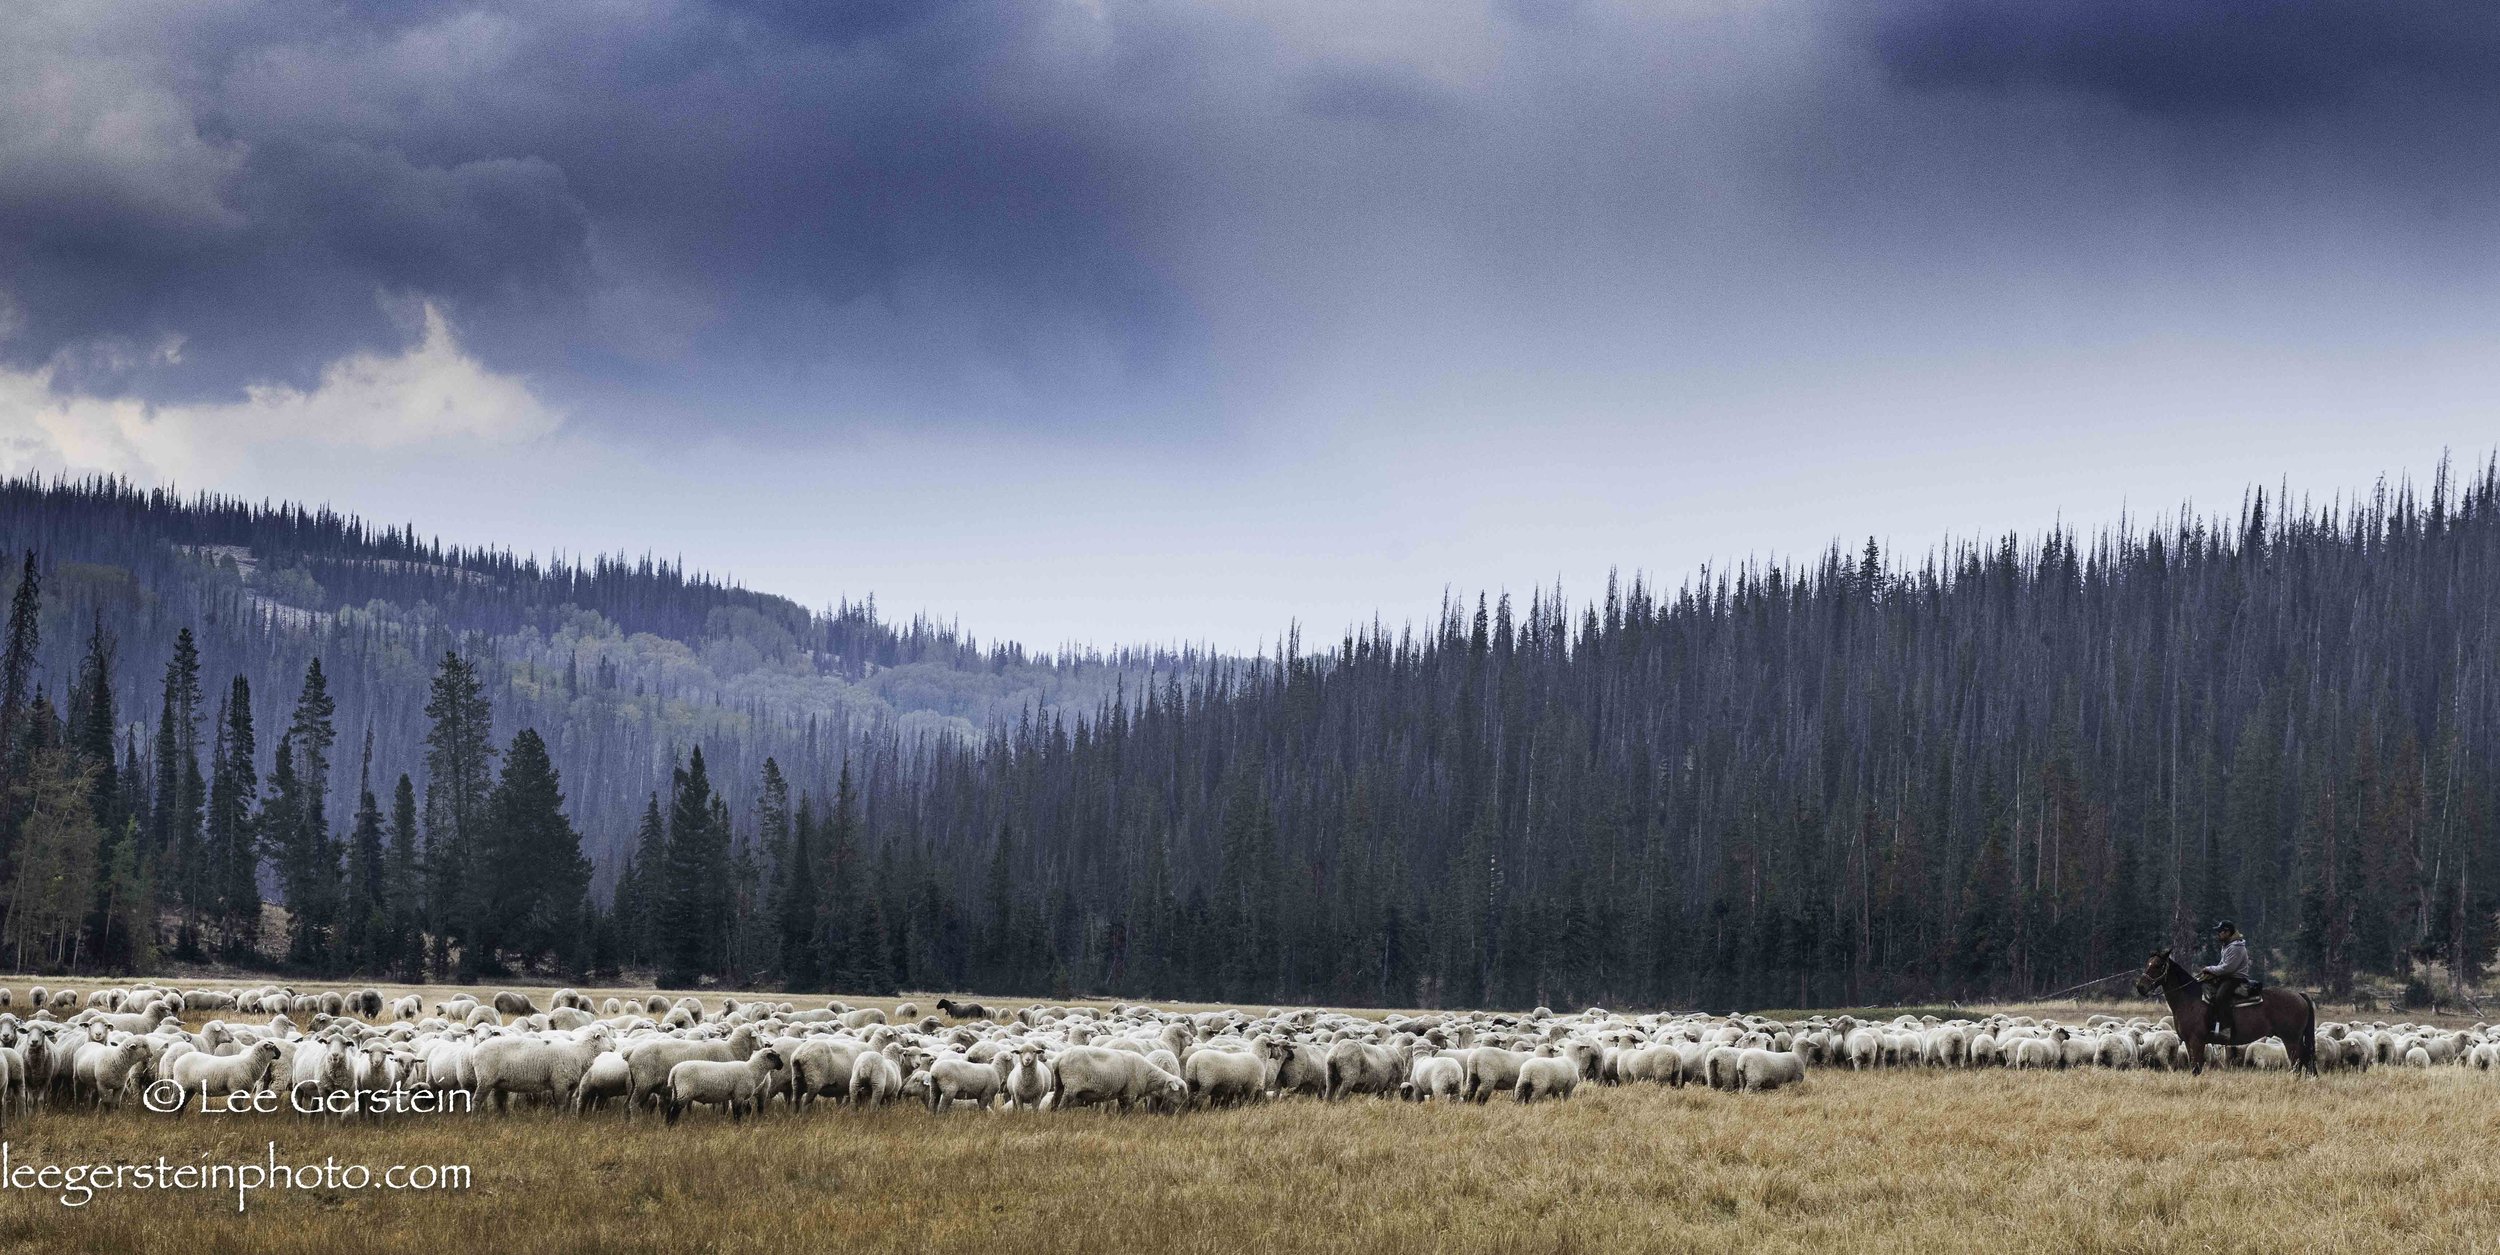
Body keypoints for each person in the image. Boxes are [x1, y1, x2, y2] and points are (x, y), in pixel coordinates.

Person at [2199, 920, 2252, 1043]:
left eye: (2220, 932)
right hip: (2227, 977)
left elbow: (2228, 968)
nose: (2218, 934)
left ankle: (2226, 1028)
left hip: (2235, 978)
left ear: (2228, 932)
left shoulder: (2236, 947)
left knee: (2220, 997)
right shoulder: (2228, 945)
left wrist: (2209, 969)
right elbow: (2222, 965)